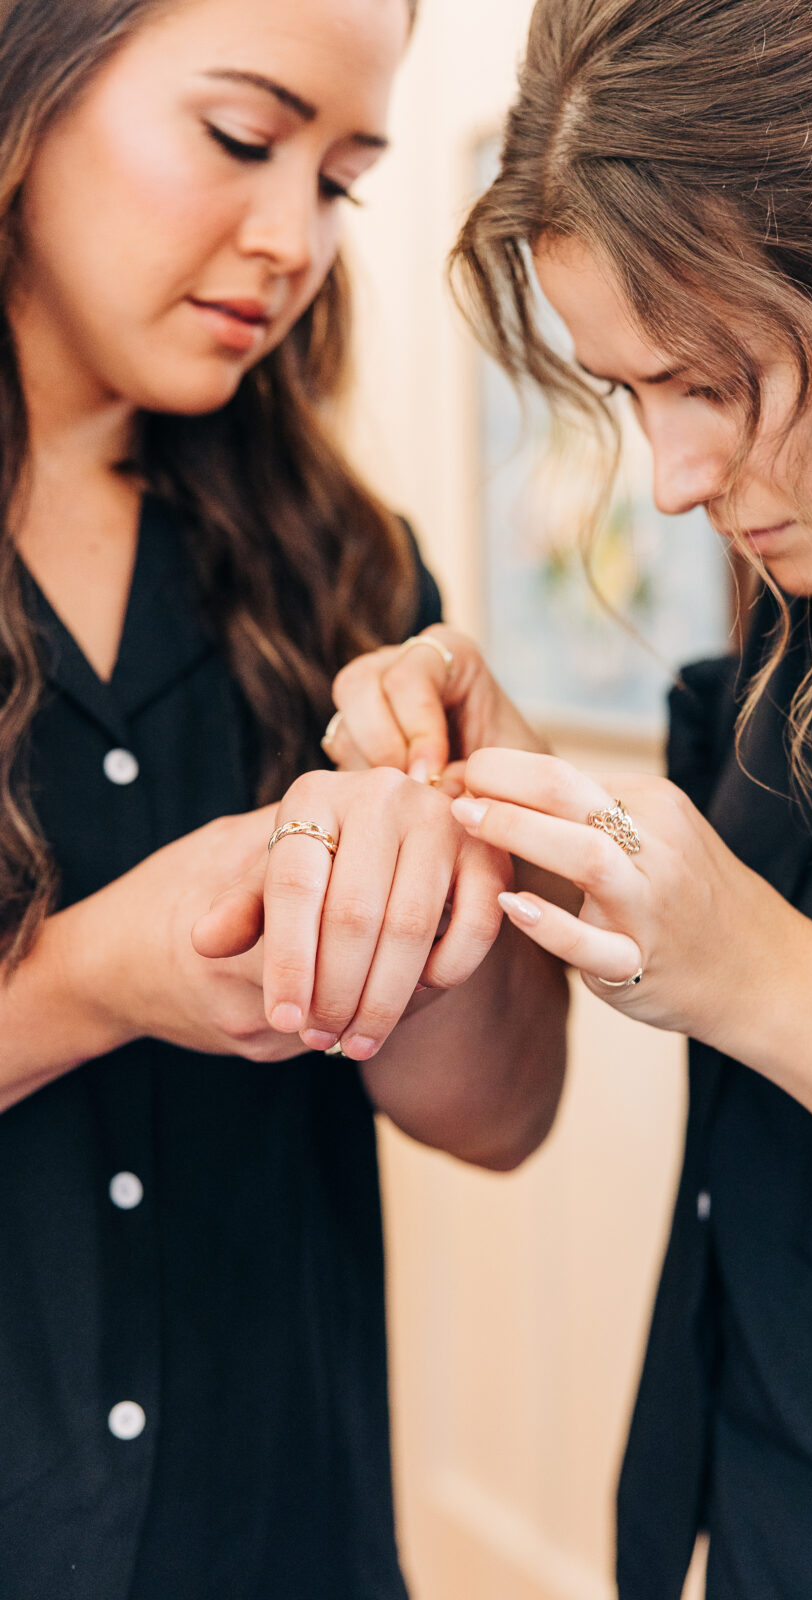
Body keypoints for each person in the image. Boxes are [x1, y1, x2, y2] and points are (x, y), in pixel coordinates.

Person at [333, 0, 812, 1593]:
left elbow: (764, 976)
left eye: (714, 383)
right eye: (629, 396)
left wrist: (774, 984)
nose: (671, 477)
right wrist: (505, 779)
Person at [0, 1, 568, 1595]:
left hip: (276, 1520)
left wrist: (433, 884)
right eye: (243, 139)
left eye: (340, 179)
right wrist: (97, 976)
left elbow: (498, 1120)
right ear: (26, 83)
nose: (289, 238)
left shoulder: (354, 573)